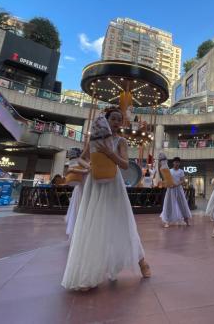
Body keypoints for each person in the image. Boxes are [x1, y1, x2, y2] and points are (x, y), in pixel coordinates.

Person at [62, 108, 150, 291]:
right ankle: (87, 272)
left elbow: (125, 164)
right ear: (106, 120)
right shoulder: (94, 140)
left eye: (119, 119)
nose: (117, 122)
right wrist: (89, 167)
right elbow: (82, 159)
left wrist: (110, 153)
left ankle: (143, 263)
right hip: (94, 182)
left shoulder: (121, 141)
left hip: (114, 182)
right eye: (113, 119)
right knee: (93, 223)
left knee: (122, 221)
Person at [64, 147, 90, 238]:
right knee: (79, 209)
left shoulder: (82, 160)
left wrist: (73, 170)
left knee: (82, 208)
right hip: (80, 187)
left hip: (84, 187)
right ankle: (79, 232)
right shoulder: (78, 160)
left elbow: (88, 170)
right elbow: (71, 172)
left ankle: (82, 231)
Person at [160, 157, 192, 228]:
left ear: (179, 163)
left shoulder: (181, 171)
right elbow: (166, 179)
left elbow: (183, 181)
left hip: (179, 190)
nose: (177, 163)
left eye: (178, 162)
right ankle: (167, 221)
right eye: (175, 162)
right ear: (173, 163)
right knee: (168, 205)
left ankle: (186, 221)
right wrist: (169, 184)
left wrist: (176, 184)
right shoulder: (169, 171)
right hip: (170, 190)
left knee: (183, 204)